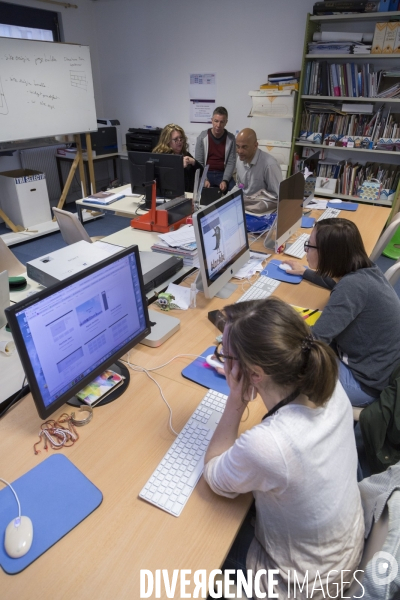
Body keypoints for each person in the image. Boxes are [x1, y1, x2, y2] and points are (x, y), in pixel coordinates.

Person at [203, 297, 364, 599]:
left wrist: (236, 400)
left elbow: (214, 474)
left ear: (254, 374)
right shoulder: (329, 384)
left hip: (303, 584)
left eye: (225, 355)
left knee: (194, 556)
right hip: (342, 552)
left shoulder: (270, 445)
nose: (223, 361)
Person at [283, 218, 400, 407]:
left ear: (329, 254)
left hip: (366, 384)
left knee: (289, 378)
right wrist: (305, 272)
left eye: (309, 246)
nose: (306, 250)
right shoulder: (365, 269)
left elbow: (314, 341)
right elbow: (335, 280)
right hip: (382, 368)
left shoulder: (351, 288)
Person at [194, 107, 236, 192]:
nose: (218, 125)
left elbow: (231, 162)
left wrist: (225, 180)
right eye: (216, 121)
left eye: (222, 122)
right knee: (197, 193)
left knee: (235, 192)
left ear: (226, 122)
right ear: (212, 120)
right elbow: (199, 162)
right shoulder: (202, 137)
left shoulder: (231, 139)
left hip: (222, 173)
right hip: (206, 173)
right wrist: (204, 179)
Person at [153, 124, 203, 193]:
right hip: (170, 195)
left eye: (181, 138)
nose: (179, 141)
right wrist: (180, 166)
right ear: (167, 141)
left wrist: (194, 162)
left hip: (188, 194)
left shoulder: (185, 154)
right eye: (176, 139)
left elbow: (202, 172)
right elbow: (165, 179)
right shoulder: (162, 157)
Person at [236, 128, 282, 198]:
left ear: (255, 146)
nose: (240, 151)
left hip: (261, 205)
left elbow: (277, 196)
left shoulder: (270, 165)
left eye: (244, 147)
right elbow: (240, 185)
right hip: (245, 202)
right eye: (238, 146)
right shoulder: (239, 160)